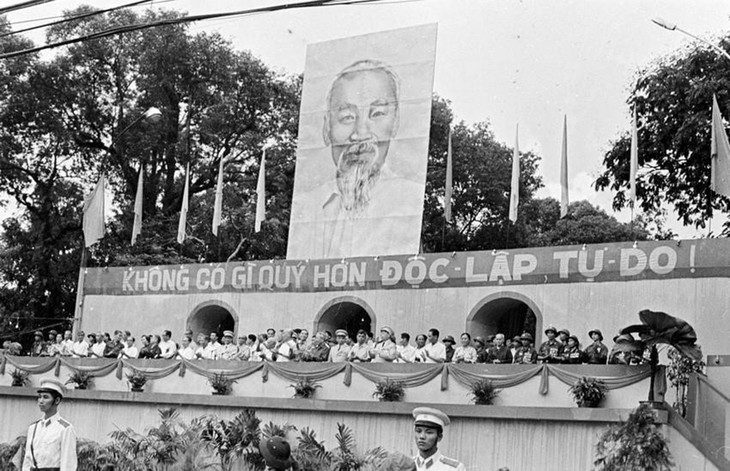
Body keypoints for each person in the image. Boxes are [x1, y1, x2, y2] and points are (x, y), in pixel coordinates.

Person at [288, 59, 424, 260]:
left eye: (377, 114)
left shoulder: (410, 202)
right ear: (327, 127)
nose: (361, 134)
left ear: (395, 122)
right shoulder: (305, 208)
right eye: (347, 117)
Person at [22, 378, 77, 471]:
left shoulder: (65, 429)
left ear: (57, 400)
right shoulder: (33, 427)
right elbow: (27, 461)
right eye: (39, 397)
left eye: (45, 397)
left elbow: (68, 464)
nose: (41, 401)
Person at [412, 407, 466, 471]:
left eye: (429, 432)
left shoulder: (453, 469)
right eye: (418, 431)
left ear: (439, 437)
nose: (422, 436)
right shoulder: (405, 466)